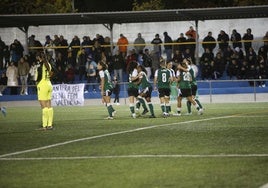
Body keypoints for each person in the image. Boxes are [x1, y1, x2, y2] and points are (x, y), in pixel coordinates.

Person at [36, 52, 54, 130]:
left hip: (42, 85)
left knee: (43, 107)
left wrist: (37, 84)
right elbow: (51, 74)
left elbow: (38, 78)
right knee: (49, 106)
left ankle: (44, 126)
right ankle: (49, 125)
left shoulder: (40, 66)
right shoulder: (49, 65)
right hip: (49, 84)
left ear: (40, 58)